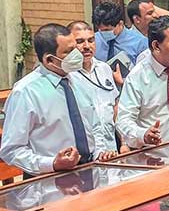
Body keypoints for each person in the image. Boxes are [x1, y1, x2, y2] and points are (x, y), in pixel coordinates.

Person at [0, 24, 115, 177]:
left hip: (89, 170)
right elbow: (11, 150)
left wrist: (99, 152)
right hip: (48, 178)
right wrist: (52, 163)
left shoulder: (78, 80)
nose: (77, 54)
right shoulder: (26, 92)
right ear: (49, 60)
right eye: (69, 52)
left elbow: (94, 125)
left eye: (75, 48)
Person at [117, 16, 169, 158]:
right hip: (155, 160)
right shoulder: (137, 77)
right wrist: (143, 135)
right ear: (156, 46)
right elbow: (123, 121)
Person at [68, 21, 127, 153]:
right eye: (80, 42)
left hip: (111, 149)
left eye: (91, 40)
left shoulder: (104, 68)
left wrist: (124, 142)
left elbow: (114, 107)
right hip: (84, 154)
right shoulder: (67, 76)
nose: (87, 46)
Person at [92, 0, 148, 66]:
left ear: (120, 24)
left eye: (107, 30)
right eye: (100, 30)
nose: (102, 33)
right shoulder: (93, 40)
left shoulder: (140, 43)